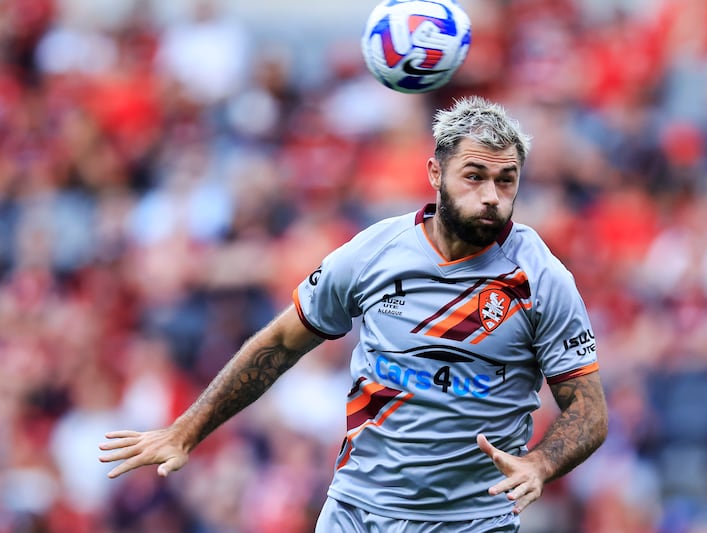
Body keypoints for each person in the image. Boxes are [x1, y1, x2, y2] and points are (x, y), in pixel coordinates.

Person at [99, 95, 608, 532]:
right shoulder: (373, 252)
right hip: (358, 513)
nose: (491, 196)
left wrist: (540, 464)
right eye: (474, 177)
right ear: (435, 173)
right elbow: (278, 344)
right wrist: (185, 432)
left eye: (506, 180)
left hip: (471, 520)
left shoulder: (542, 279)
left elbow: (589, 410)